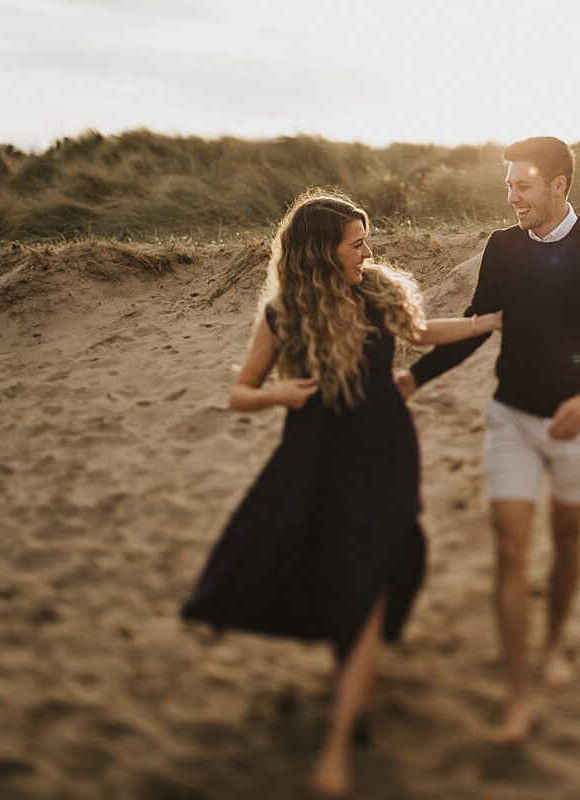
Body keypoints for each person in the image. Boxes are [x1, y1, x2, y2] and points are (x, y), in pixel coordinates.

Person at [181, 188, 501, 797]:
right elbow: (240, 392)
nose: (367, 251)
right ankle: (352, 679)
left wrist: (487, 321)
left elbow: (423, 331)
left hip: (385, 452)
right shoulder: (285, 315)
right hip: (318, 458)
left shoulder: (378, 293)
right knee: (340, 570)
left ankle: (337, 745)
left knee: (372, 573)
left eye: (366, 240)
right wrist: (281, 395)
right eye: (356, 244)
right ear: (322, 251)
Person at [395, 137, 580, 742]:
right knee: (509, 549)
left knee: (566, 538)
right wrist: (414, 378)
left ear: (560, 185)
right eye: (508, 185)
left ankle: (553, 645)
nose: (512, 197)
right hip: (511, 416)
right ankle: (518, 695)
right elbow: (481, 325)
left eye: (523, 186)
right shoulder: (502, 248)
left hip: (577, 424)